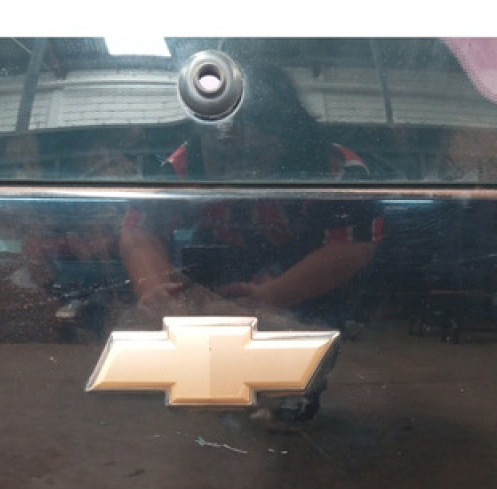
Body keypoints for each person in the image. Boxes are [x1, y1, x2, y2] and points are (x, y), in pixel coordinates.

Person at [119, 60, 384, 328]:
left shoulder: (336, 170)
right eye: (220, 157)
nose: (234, 171)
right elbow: (140, 229)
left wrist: (273, 294)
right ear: (201, 138)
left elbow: (355, 244)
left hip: (312, 310)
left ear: (289, 141)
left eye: (252, 155)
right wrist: (156, 292)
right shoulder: (183, 165)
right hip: (211, 306)